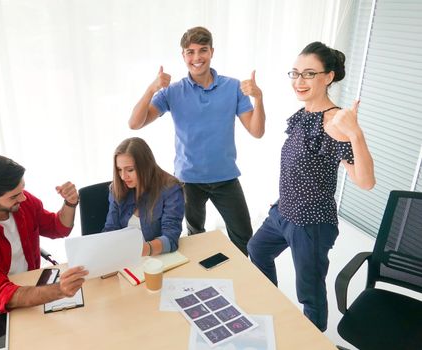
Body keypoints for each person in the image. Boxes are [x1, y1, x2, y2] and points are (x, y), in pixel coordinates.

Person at [247, 42, 375, 331]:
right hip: (283, 212)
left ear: (328, 77)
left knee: (310, 293)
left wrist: (356, 134)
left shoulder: (334, 121)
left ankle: (312, 340)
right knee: (257, 249)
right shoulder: (304, 115)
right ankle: (273, 310)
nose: (299, 81)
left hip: (311, 223)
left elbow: (365, 182)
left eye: (308, 74)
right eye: (295, 73)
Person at [129, 26, 265, 257]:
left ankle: (242, 282)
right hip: (188, 180)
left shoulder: (233, 87)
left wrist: (258, 97)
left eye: (202, 50)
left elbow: (257, 131)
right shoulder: (172, 92)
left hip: (225, 177)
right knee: (195, 236)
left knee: (244, 237)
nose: (197, 58)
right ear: (183, 56)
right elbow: (135, 123)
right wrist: (152, 88)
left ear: (211, 51)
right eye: (190, 52)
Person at [0, 155, 88, 312]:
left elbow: (58, 228)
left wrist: (70, 202)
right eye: (14, 196)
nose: (23, 197)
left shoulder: (24, 202)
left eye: (22, 189)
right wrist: (59, 290)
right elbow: (1, 293)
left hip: (30, 285)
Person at [103, 137, 184, 256]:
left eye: (130, 170)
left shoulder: (170, 189)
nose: (123, 177)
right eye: (119, 170)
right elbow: (110, 229)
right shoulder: (117, 188)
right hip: (123, 259)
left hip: (156, 259)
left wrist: (140, 250)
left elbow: (170, 239)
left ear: (146, 166)